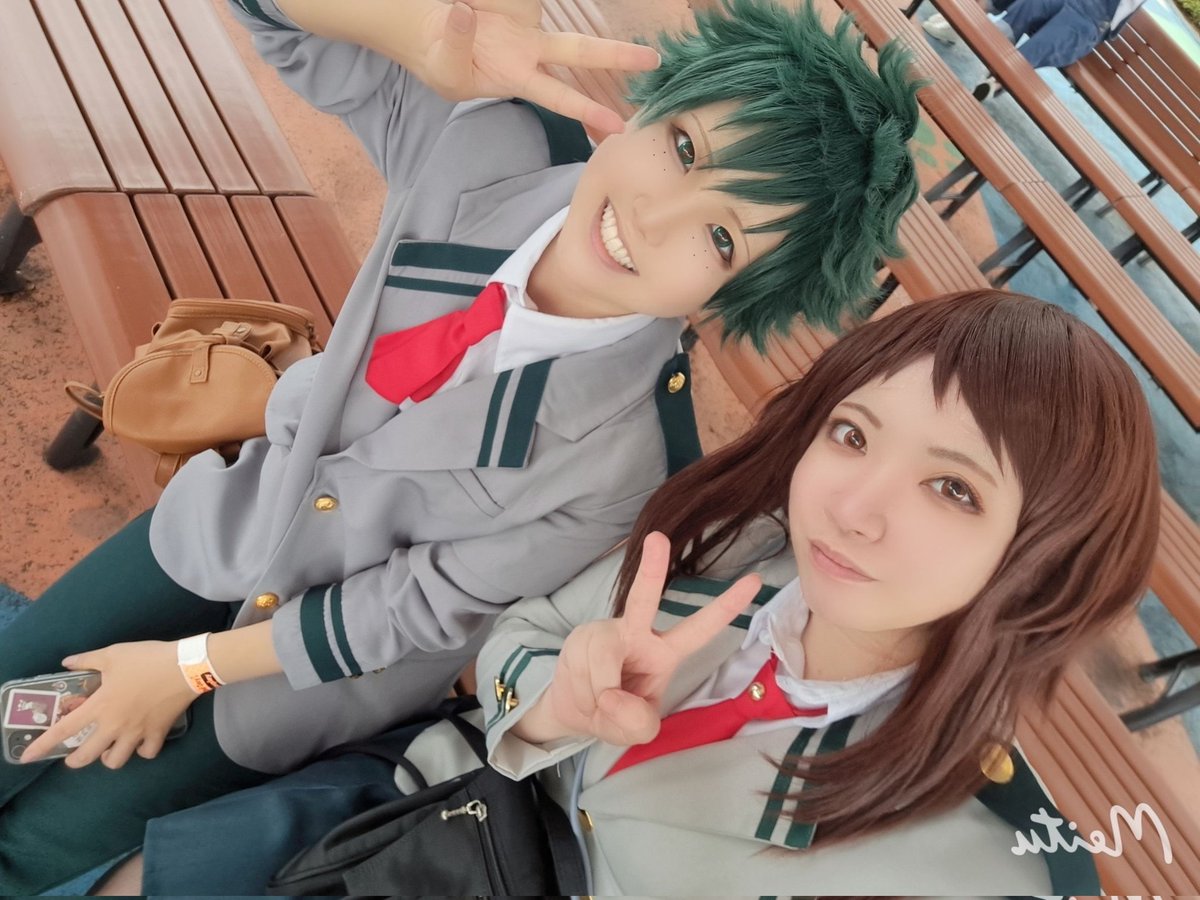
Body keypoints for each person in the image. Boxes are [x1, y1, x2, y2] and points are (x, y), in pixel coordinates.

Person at [0, 0, 922, 892]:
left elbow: (415, 608)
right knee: (9, 696)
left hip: (294, 680)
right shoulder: (494, 149)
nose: (654, 216)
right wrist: (414, 27)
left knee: (39, 841)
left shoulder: (630, 458)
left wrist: (186, 669)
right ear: (651, 108)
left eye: (720, 236)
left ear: (738, 293)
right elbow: (274, 19)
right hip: (228, 526)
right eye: (684, 148)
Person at [116, 289, 1158, 895]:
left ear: (1046, 555)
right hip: (422, 802)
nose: (854, 508)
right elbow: (525, 634)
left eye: (953, 487)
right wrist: (554, 704)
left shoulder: (984, 862)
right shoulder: (739, 543)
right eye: (852, 433)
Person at [922, 0, 1149, 99]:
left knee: (1051, 40)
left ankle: (998, 80)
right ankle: (965, 24)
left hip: (1086, 21)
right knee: (1027, 9)